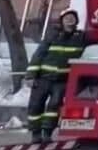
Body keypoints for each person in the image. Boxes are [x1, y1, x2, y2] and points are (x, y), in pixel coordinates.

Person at [25, 9, 87, 143]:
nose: (70, 20)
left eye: (72, 18)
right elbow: (38, 55)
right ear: (62, 20)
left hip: (62, 81)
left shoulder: (80, 37)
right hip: (43, 78)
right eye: (67, 18)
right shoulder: (52, 35)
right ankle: (35, 134)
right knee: (35, 106)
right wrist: (30, 76)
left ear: (76, 21)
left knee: (54, 107)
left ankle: (47, 133)